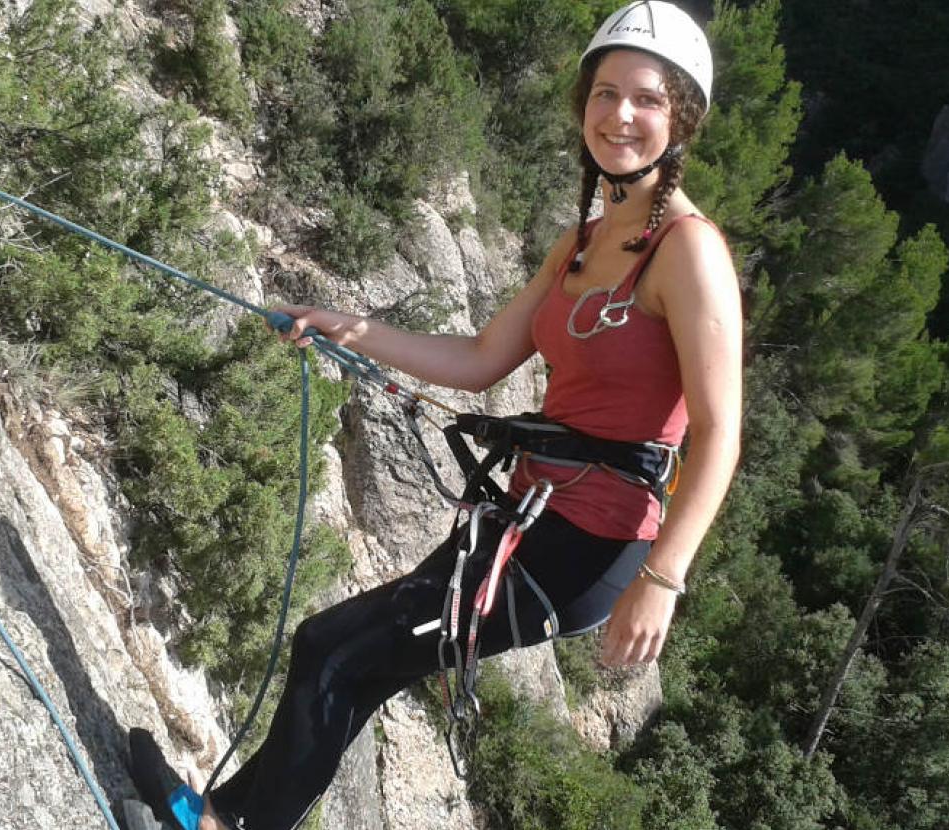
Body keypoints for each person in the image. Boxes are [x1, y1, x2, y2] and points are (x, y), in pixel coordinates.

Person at [128, 2, 741, 828]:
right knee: (360, 662)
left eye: (646, 99)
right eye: (603, 93)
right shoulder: (585, 243)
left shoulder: (689, 251)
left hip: (590, 546)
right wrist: (354, 328)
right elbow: (483, 358)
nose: (618, 116)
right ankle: (219, 815)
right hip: (527, 516)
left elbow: (719, 432)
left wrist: (663, 581)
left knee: (331, 648)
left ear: (683, 118)